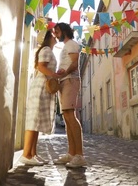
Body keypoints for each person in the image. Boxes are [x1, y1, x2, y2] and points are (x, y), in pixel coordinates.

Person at [19, 29, 59, 166]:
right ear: (48, 37)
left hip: (42, 87)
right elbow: (41, 67)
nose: (56, 36)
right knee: (33, 121)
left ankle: (32, 154)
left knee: (36, 122)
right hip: (41, 87)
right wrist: (55, 75)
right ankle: (26, 154)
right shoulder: (46, 50)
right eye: (53, 35)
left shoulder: (47, 50)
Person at [53, 22, 86, 168]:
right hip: (64, 81)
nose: (56, 34)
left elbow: (74, 64)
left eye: (57, 32)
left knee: (71, 116)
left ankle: (79, 155)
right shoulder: (66, 46)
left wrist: (64, 73)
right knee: (66, 117)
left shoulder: (72, 44)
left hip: (71, 80)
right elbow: (67, 64)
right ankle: (72, 153)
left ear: (64, 31)